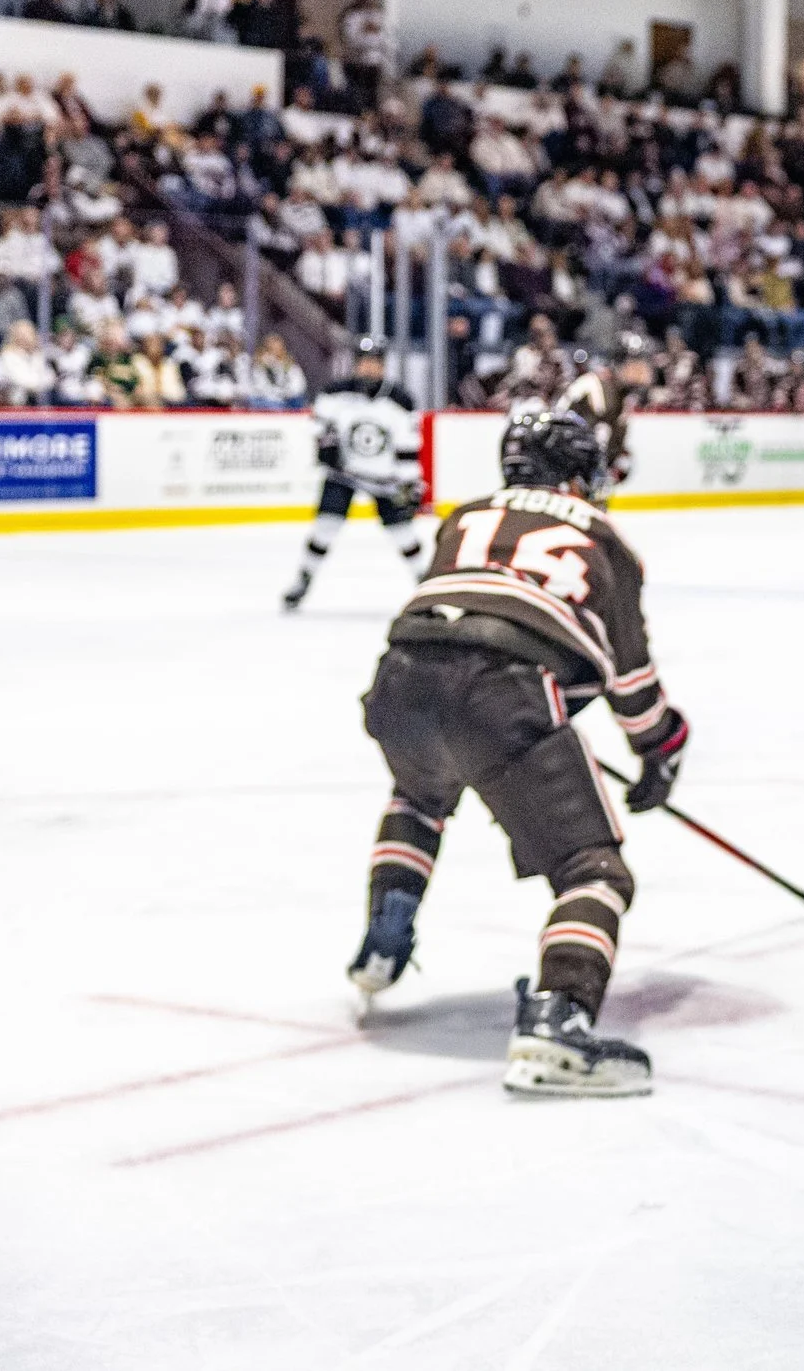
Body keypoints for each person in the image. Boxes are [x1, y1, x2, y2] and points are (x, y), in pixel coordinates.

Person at [350, 407, 689, 1096]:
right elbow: (633, 688)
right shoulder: (605, 538)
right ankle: (559, 1018)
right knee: (593, 870)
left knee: (420, 792)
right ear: (577, 473)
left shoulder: (467, 513)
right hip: (500, 692)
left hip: (400, 679)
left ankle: (386, 930)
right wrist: (662, 749)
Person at [281, 337, 427, 609]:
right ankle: (304, 579)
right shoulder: (335, 392)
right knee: (325, 527)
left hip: (385, 480)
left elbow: (408, 448)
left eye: (374, 363)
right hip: (344, 474)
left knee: (404, 533)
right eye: (364, 362)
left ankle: (426, 584)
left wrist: (409, 484)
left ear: (383, 366)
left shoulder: (401, 400)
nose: (368, 369)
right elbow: (317, 426)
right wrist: (326, 444)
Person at [558, 330, 654, 494]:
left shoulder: (620, 393)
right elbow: (566, 436)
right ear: (620, 363)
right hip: (568, 477)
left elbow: (612, 443)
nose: (644, 372)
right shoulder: (597, 388)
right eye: (637, 364)